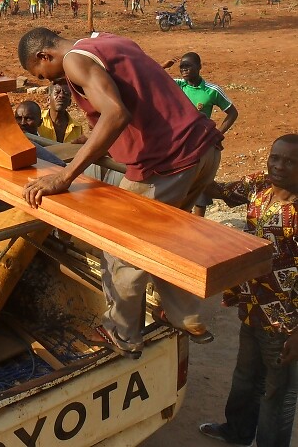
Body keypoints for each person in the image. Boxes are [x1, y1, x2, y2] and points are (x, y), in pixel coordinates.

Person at [17, 27, 224, 358]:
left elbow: (116, 113)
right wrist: (93, 139)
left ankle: (122, 334)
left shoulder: (73, 61)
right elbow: (138, 96)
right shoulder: (110, 41)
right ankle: (188, 317)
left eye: (42, 74)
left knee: (120, 247)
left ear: (44, 55)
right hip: (204, 150)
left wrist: (65, 177)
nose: (50, 81)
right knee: (163, 239)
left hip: (166, 163)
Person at [199, 134, 298, 447]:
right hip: (252, 306)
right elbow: (219, 191)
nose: (278, 166)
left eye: (290, 161)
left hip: (285, 321)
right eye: (275, 157)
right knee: (245, 376)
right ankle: (237, 432)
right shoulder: (260, 186)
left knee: (278, 392)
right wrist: (191, 163)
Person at [162, 52, 238, 216]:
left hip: (200, 144)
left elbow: (232, 113)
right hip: (179, 143)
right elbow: (153, 78)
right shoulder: (178, 85)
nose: (184, 69)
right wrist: (163, 66)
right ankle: (183, 219)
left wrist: (218, 134)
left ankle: (198, 222)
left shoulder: (212, 90)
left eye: (188, 66)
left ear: (199, 67)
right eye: (182, 67)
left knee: (200, 185)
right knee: (180, 183)